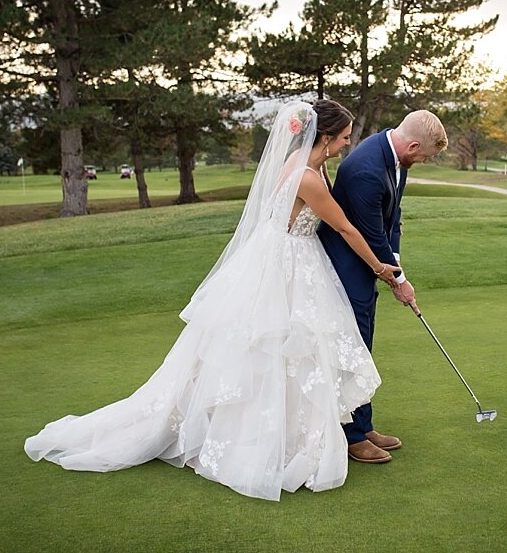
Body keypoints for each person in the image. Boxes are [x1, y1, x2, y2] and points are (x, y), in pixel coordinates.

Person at [25, 99, 400, 500]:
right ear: (323, 137)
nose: (347, 144)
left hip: (284, 255)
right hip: (291, 263)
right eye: (343, 137)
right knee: (282, 345)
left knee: (290, 351)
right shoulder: (306, 177)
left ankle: (301, 428)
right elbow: (343, 228)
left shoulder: (299, 165)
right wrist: (381, 267)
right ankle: (270, 439)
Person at [317, 109, 448, 464]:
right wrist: (399, 282)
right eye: (425, 156)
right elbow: (371, 234)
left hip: (367, 262)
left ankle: (363, 423)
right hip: (346, 266)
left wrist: (397, 264)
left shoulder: (395, 160)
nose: (422, 161)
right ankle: (351, 436)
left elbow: (392, 218)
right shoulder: (365, 169)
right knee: (352, 347)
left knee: (362, 344)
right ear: (414, 145)